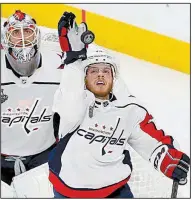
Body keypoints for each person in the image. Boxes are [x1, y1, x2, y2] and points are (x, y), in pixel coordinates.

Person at [48, 12, 190, 198]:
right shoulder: (72, 107)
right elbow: (70, 96)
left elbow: (147, 137)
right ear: (84, 78)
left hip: (115, 191)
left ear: (114, 78)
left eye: (106, 71)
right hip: (70, 193)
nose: (100, 75)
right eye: (93, 71)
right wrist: (74, 60)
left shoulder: (129, 109)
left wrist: (164, 156)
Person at [1, 10, 62, 197]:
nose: (22, 39)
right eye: (15, 33)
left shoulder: (59, 66)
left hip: (44, 157)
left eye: (27, 32)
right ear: (5, 41)